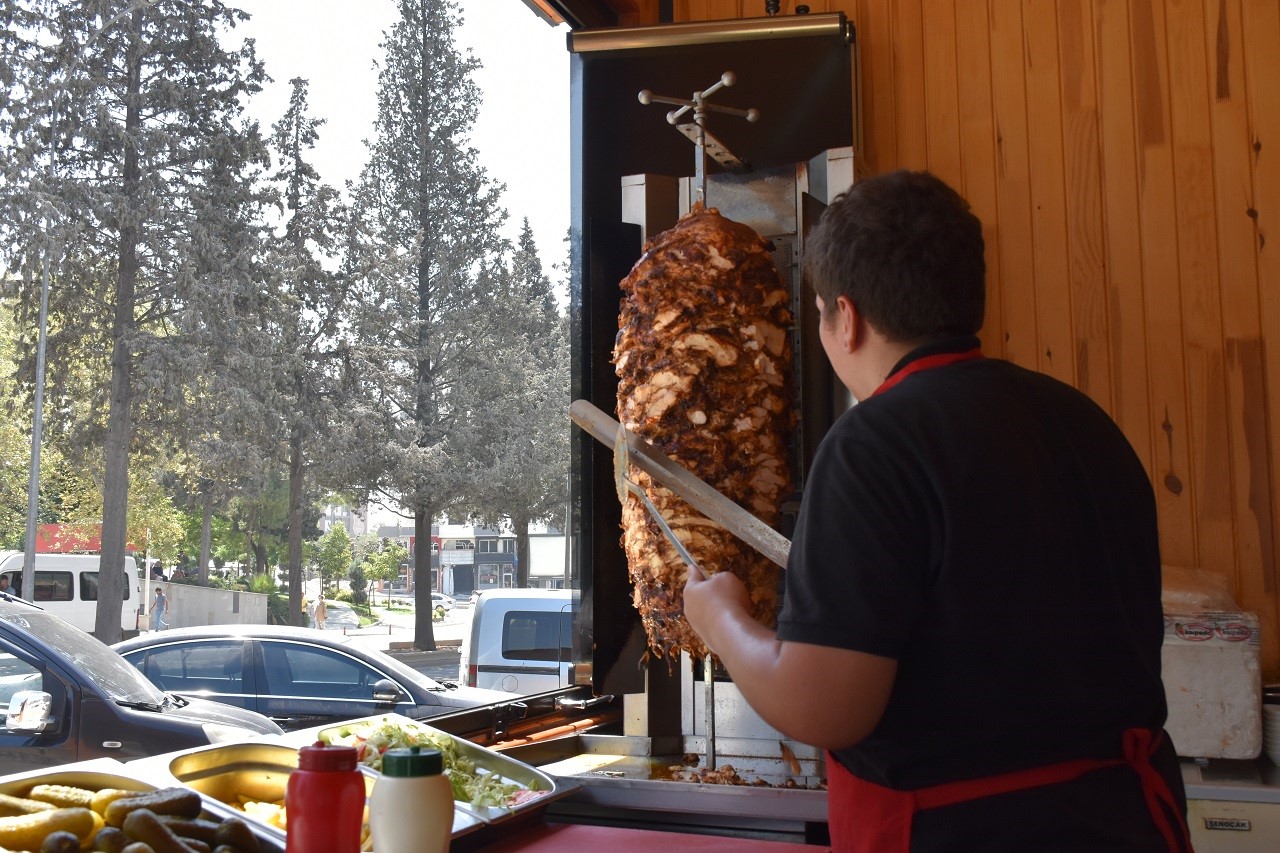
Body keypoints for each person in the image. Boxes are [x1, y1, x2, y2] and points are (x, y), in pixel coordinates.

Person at [682, 170, 1190, 851]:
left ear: (846, 318)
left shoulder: (872, 446)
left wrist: (722, 621)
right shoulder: (1084, 423)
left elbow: (824, 704)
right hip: (1124, 821)